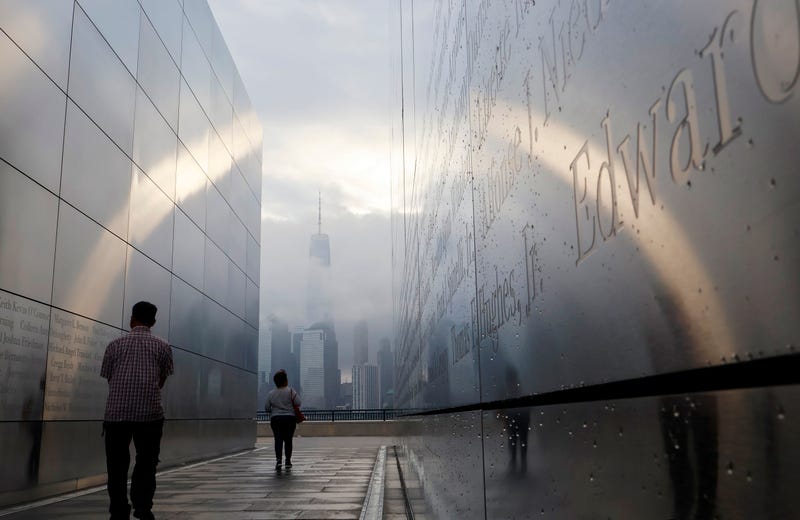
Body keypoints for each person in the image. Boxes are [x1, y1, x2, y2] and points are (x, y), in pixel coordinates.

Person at [101, 301, 174, 520]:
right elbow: (161, 381)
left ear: (131, 319)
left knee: (116, 465)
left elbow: (110, 379)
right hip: (149, 414)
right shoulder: (163, 346)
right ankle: (142, 506)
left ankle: (118, 509)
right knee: (147, 462)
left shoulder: (114, 345)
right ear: (153, 322)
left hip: (116, 415)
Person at [265, 369, 301, 469]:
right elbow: (298, 402)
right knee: (288, 440)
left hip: (276, 419)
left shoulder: (271, 393)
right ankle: (288, 461)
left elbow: (267, 408)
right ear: (286, 381)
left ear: (275, 382)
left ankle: (279, 460)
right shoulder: (291, 391)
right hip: (289, 419)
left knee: (278, 439)